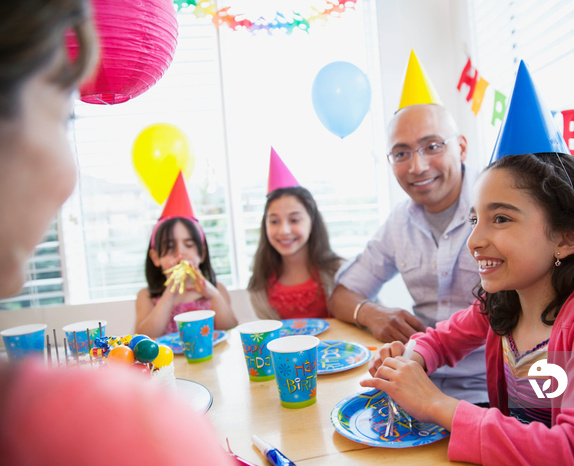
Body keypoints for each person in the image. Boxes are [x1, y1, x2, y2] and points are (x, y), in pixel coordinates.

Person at [360, 61, 574, 465]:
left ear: (568, 237)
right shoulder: (504, 301)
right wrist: (409, 361)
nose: (475, 240)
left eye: (501, 218)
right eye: (475, 219)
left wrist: (436, 405)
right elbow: (440, 338)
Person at [0, 2, 232, 463]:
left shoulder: (208, 292)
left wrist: (206, 289)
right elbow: (144, 330)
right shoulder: (117, 420)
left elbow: (229, 323)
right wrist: (167, 299)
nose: (70, 177)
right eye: (62, 117)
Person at [327, 50, 488, 405]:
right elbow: (340, 295)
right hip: (419, 384)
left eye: (432, 146)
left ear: (460, 147)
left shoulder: (497, 209)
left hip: (501, 395)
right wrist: (370, 313)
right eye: (401, 153)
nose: (417, 166)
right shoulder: (399, 222)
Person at [135, 172, 237, 337]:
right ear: (155, 257)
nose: (180, 253)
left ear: (202, 253)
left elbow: (231, 328)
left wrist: (214, 295)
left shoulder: (217, 289)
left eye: (188, 245)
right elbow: (144, 338)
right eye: (169, 247)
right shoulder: (146, 296)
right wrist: (169, 295)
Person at [248, 148, 343, 319]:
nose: (284, 231)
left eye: (294, 220)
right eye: (274, 221)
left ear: (312, 222)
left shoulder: (339, 271)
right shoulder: (260, 282)